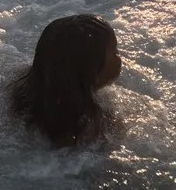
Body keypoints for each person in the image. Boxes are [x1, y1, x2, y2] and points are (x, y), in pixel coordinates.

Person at [8, 14, 122, 148]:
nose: (119, 57)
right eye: (115, 51)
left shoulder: (24, 91)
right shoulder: (90, 124)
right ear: (91, 70)